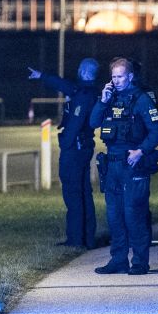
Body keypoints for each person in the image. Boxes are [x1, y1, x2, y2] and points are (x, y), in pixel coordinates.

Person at [89, 57, 158, 275]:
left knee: (134, 215)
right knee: (114, 215)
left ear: (130, 76)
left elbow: (156, 132)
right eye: (113, 76)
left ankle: (140, 262)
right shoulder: (110, 97)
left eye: (120, 76)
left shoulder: (141, 99)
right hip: (112, 165)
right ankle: (118, 260)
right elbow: (93, 123)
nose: (116, 80)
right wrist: (102, 101)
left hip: (133, 164)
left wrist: (141, 151)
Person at [28, 58, 100, 249]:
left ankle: (76, 240)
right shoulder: (88, 91)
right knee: (84, 192)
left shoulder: (82, 96)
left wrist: (65, 144)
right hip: (83, 148)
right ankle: (87, 238)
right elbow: (65, 85)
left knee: (73, 194)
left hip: (74, 151)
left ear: (83, 71)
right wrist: (42, 76)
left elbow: (74, 126)